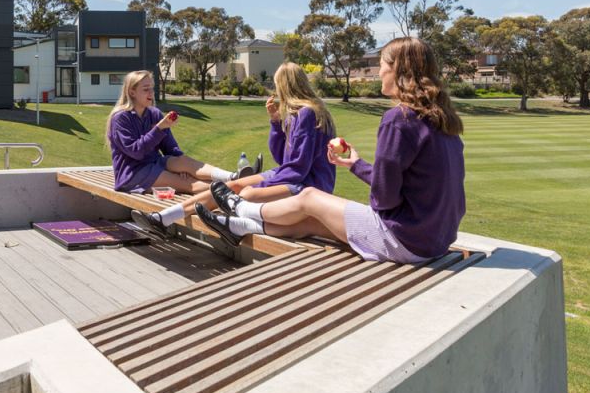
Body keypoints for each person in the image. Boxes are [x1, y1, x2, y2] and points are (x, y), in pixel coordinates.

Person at [198, 37, 466, 263]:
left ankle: (240, 208)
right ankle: (235, 226)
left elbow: (383, 200)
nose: (380, 71)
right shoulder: (443, 119)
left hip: (405, 240)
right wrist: (356, 165)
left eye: (382, 65)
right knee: (311, 221)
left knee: (310, 197)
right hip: (435, 241)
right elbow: (403, 186)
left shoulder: (399, 119)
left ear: (398, 71)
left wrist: (374, 201)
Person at [138, 62, 337, 237]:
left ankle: (233, 227)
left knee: (247, 194)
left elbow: (298, 168)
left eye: (277, 85)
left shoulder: (307, 114)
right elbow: (283, 159)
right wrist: (275, 123)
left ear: (285, 86)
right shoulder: (298, 114)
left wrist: (263, 184)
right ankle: (162, 218)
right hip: (293, 176)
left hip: (309, 186)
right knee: (230, 187)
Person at [106, 70, 241, 236]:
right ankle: (233, 193)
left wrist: (182, 166)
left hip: (154, 163)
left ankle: (232, 177)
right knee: (187, 184)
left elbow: (171, 149)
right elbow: (136, 152)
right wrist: (159, 129)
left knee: (182, 161)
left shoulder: (154, 114)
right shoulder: (120, 118)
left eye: (152, 88)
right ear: (132, 91)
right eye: (146, 89)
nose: (151, 93)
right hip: (133, 173)